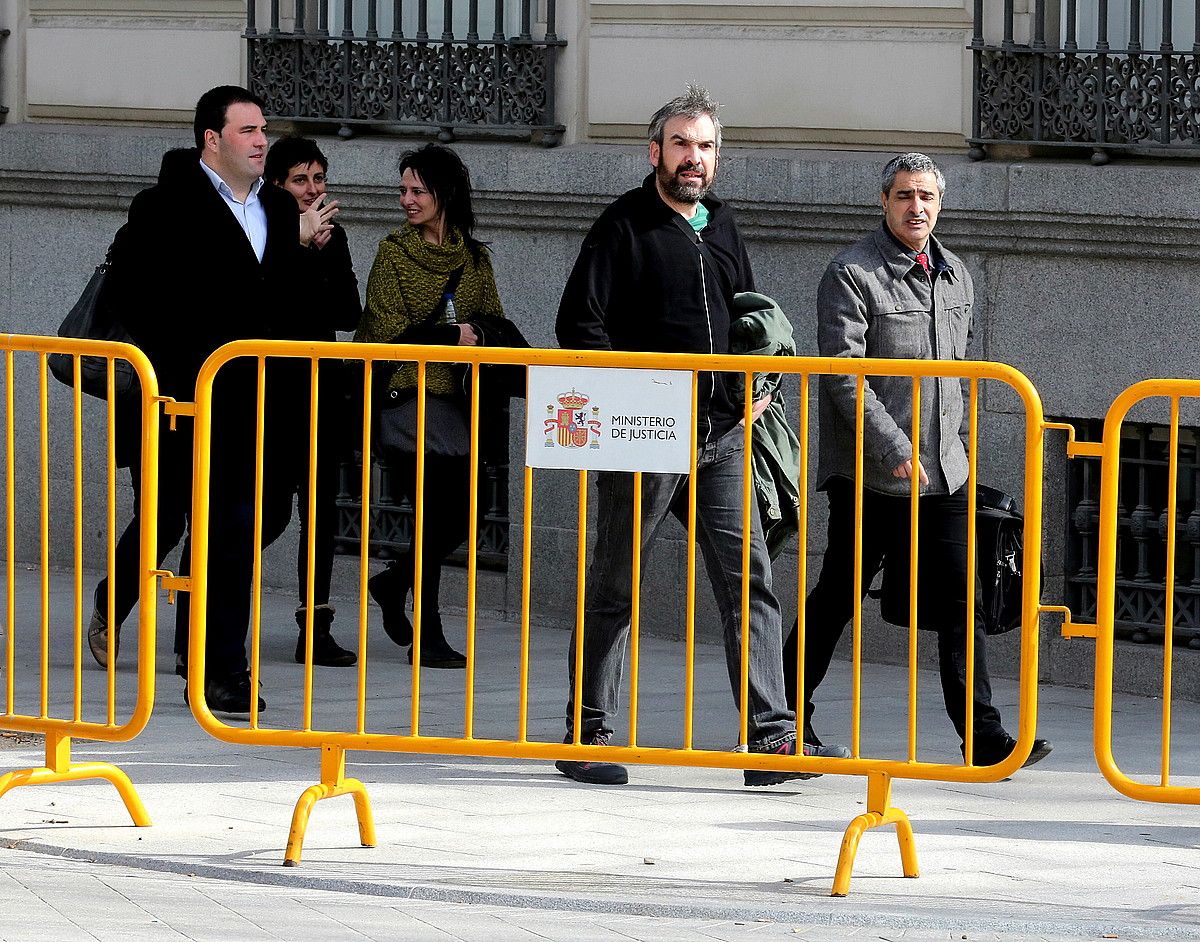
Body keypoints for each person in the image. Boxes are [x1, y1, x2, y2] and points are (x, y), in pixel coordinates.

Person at [553, 85, 847, 787]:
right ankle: (586, 734)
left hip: (720, 438)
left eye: (706, 146)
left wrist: (757, 382)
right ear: (654, 152)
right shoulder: (622, 224)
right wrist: (640, 393)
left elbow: (748, 313)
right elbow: (579, 326)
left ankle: (770, 742)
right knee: (616, 586)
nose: (694, 158)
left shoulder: (721, 222)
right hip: (646, 435)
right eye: (682, 143)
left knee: (751, 585)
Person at [784, 152, 1052, 769]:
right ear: (884, 202)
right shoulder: (852, 273)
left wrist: (950, 447)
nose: (916, 207)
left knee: (964, 600)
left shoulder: (956, 274)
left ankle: (982, 739)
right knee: (838, 595)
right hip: (872, 474)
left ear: (940, 203)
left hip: (947, 473)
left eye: (926, 196)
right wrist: (895, 447)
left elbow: (953, 377)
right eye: (904, 196)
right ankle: (782, 714)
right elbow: (844, 376)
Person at [91, 85, 340, 713]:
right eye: (248, 130)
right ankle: (189, 649)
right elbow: (140, 299)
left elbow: (293, 305)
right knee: (179, 523)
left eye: (263, 130)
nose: (261, 141)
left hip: (261, 404)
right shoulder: (164, 207)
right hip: (187, 401)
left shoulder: (279, 212)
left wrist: (314, 255)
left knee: (234, 536)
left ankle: (220, 668)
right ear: (212, 139)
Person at [355, 143, 511, 669]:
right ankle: (430, 631)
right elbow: (383, 330)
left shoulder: (474, 257)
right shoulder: (393, 252)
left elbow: (494, 323)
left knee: (463, 513)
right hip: (406, 398)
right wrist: (450, 334)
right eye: (403, 190)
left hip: (461, 406)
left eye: (417, 190)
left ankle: (393, 581)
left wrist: (478, 336)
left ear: (444, 194)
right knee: (433, 514)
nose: (406, 200)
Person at [264, 135, 360, 669]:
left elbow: (346, 310)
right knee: (271, 514)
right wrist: (297, 249)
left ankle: (316, 627)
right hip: (271, 395)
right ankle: (213, 594)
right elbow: (271, 308)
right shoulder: (265, 236)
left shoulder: (334, 237)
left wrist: (322, 253)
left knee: (322, 514)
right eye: (301, 180)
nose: (312, 189)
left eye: (318, 179)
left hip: (323, 393)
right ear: (276, 185)